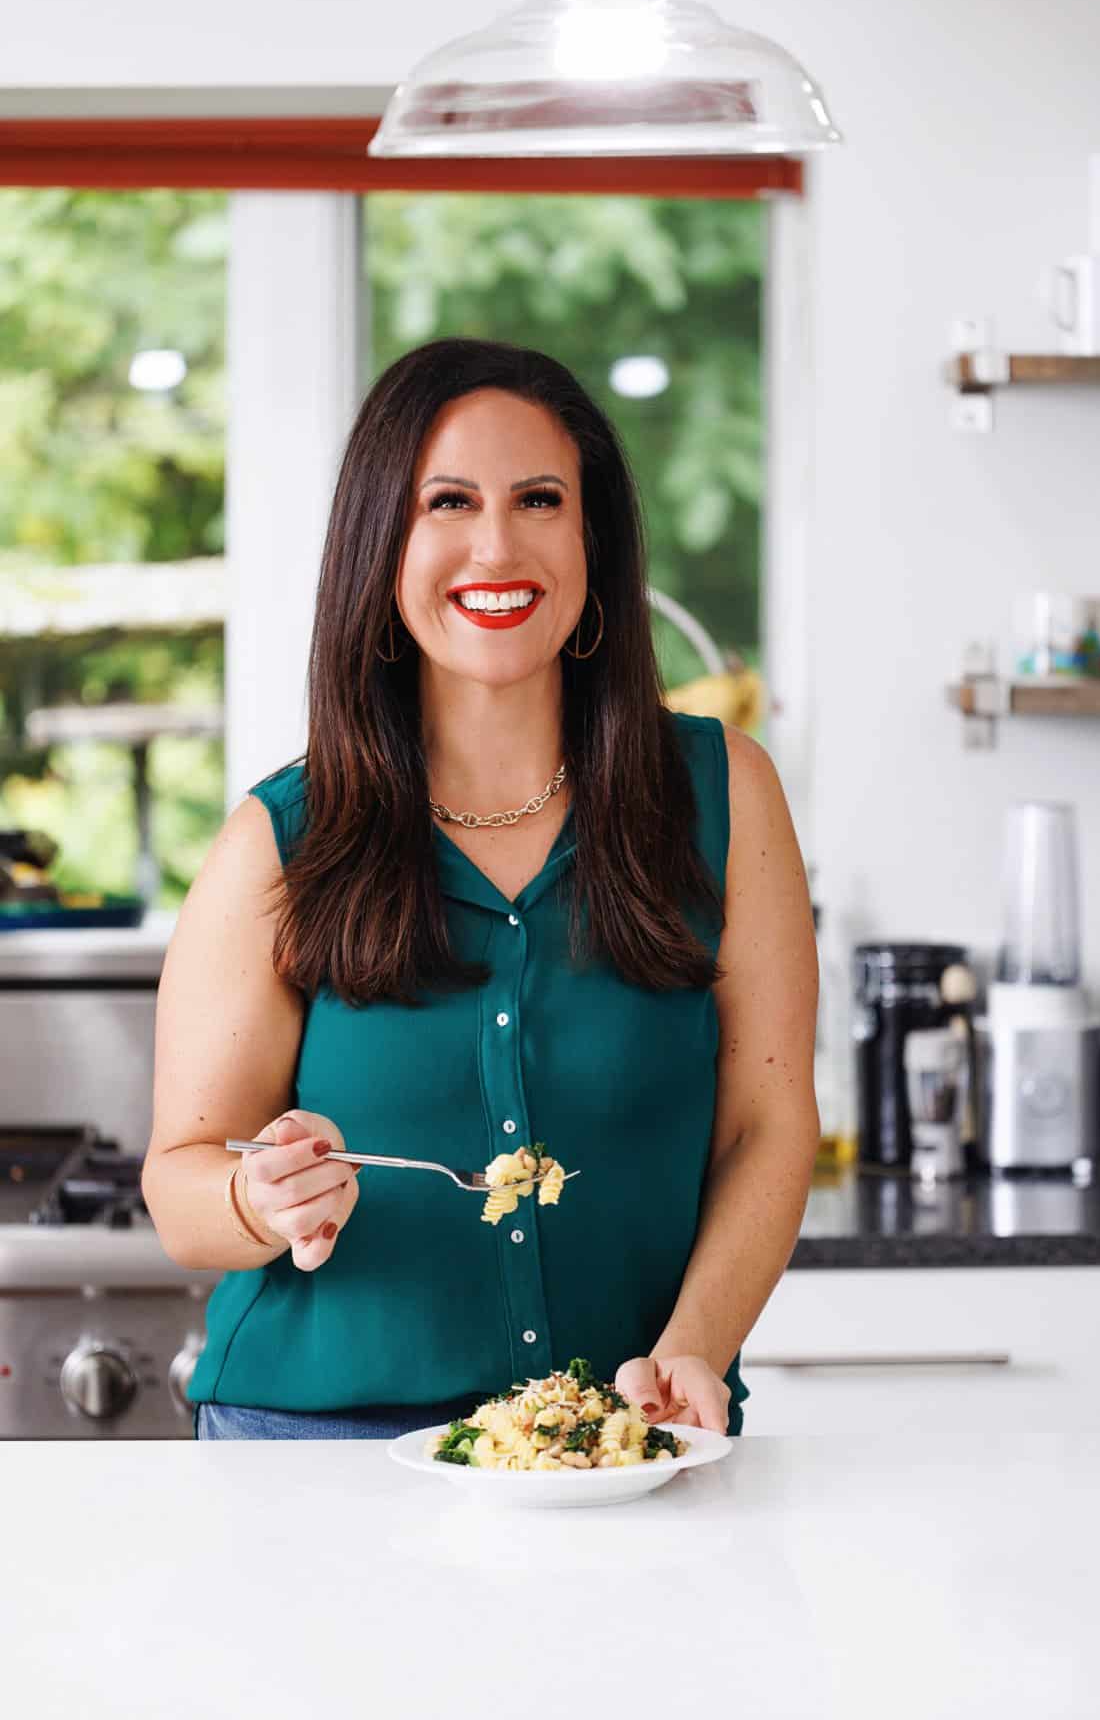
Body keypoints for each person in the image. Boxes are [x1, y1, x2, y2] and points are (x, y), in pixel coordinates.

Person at [143, 337, 819, 1443]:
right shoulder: (279, 840)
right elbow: (181, 1176)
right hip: (315, 1450)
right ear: (382, 544)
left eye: (540, 499)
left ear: (592, 537)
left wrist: (695, 1340)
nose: (496, 544)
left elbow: (767, 1121)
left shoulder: (723, 793)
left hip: (621, 1443)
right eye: (447, 501)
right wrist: (255, 1198)